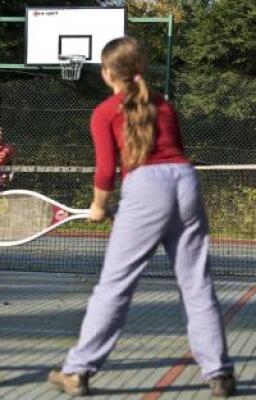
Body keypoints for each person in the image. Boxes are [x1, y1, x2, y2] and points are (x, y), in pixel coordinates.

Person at [47, 37, 235, 398]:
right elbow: (172, 155)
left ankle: (77, 370)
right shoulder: (164, 104)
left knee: (114, 286)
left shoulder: (104, 112)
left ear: (107, 73)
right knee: (196, 284)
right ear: (141, 69)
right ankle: (220, 374)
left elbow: (106, 171)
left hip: (145, 187)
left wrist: (100, 207)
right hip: (186, 182)